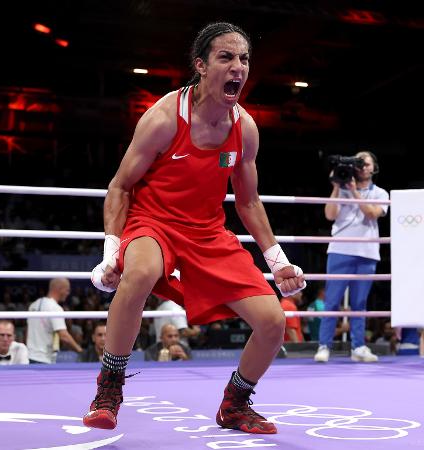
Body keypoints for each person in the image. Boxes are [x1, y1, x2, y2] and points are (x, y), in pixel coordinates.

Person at [83, 22, 306, 434]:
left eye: (244, 59)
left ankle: (235, 404)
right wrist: (111, 252)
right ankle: (109, 388)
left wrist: (278, 261)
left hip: (207, 233)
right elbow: (120, 186)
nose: (238, 67)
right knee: (142, 273)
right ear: (201, 66)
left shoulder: (245, 129)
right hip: (153, 222)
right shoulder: (165, 118)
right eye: (226, 57)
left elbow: (248, 201)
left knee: (273, 322)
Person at [314, 151, 389, 363]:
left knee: (360, 302)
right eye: (359, 163)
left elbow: (373, 213)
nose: (362, 167)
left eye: (365, 163)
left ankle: (359, 347)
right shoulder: (341, 190)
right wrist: (337, 185)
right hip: (340, 250)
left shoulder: (381, 193)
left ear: (374, 168)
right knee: (332, 301)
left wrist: (355, 193)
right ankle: (324, 346)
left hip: (367, 252)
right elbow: (330, 215)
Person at [27, 278, 83, 363]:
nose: (68, 294)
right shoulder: (55, 308)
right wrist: (80, 351)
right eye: (67, 290)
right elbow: (64, 336)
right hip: (43, 359)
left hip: (29, 356)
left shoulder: (33, 305)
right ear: (60, 289)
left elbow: (27, 332)